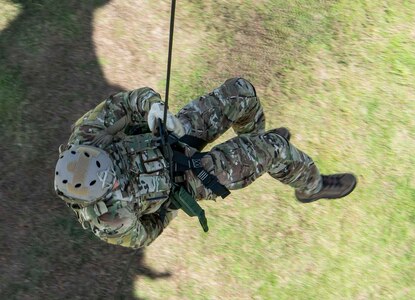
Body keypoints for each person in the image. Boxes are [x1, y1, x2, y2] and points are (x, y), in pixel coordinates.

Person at [54, 78, 357, 249]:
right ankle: (311, 186)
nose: (118, 177)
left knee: (241, 92)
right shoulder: (109, 220)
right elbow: (143, 235)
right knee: (277, 149)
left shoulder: (87, 135)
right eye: (115, 181)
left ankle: (257, 145)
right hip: (186, 180)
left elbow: (123, 103)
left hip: (166, 137)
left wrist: (152, 108)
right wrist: (172, 206)